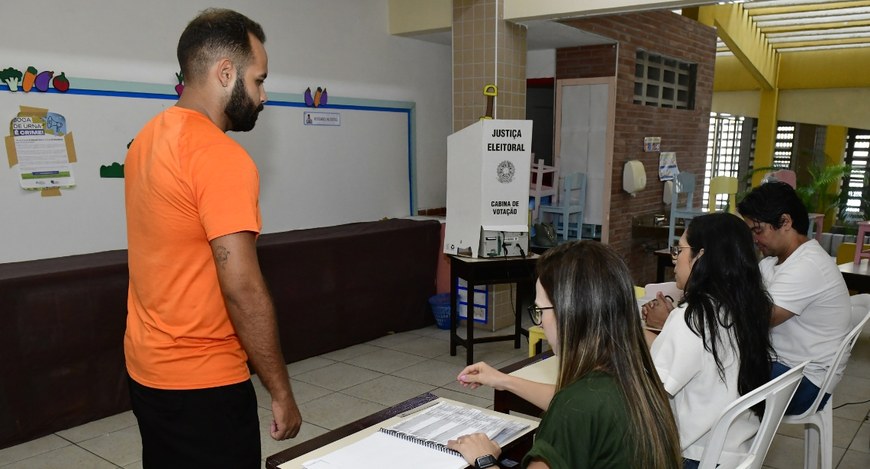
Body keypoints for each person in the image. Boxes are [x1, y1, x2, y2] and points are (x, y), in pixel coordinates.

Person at [124, 9, 301, 468]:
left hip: (147, 370)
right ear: (226, 73)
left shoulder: (146, 139)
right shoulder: (220, 157)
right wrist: (280, 391)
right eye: (259, 80)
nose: (263, 96)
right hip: (203, 384)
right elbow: (242, 289)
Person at [447, 241, 682, 469]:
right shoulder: (637, 377)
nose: (540, 322)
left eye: (540, 310)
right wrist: (502, 380)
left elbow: (574, 407)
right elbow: (577, 406)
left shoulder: (578, 404)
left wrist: (484, 459)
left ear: (570, 314)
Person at [645, 213, 774, 468]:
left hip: (694, 457)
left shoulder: (690, 319)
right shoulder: (743, 308)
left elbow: (650, 389)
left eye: (679, 250)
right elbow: (687, 359)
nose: (675, 259)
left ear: (701, 256)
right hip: (734, 450)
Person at [737, 181, 851, 415]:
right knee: (708, 367)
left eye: (758, 230)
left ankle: (718, 447)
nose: (754, 239)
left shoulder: (807, 265)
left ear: (785, 222)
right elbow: (742, 298)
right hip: (783, 365)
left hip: (804, 381)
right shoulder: (773, 261)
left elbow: (758, 318)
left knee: (710, 375)